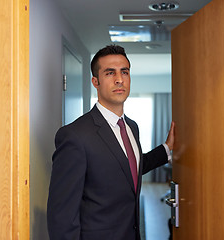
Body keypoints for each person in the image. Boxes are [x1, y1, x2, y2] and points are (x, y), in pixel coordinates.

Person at [47, 45, 175, 240]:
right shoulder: (74, 136)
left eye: (124, 72)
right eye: (110, 73)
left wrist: (167, 148)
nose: (119, 79)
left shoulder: (132, 127)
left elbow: (129, 167)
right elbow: (61, 216)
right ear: (95, 82)